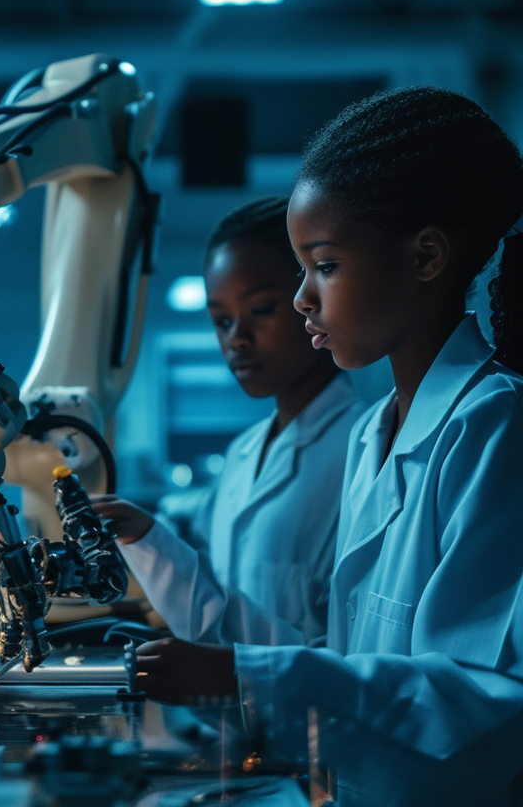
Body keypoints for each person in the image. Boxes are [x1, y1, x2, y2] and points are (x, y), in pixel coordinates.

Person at [125, 87, 523, 805]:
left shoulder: (492, 425)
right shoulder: (377, 432)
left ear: (426, 256)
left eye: (325, 266)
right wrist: (235, 664)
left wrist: (244, 673)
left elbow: (480, 694)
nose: (307, 297)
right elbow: (349, 661)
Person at [93, 196, 361, 647]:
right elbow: (217, 607)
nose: (236, 340)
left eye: (260, 310)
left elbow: (345, 655)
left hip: (319, 716)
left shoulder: (365, 448)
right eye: (221, 320)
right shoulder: (243, 453)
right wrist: (145, 537)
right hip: (234, 716)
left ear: (312, 299)